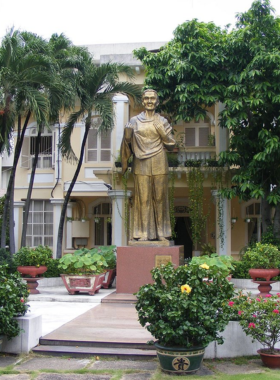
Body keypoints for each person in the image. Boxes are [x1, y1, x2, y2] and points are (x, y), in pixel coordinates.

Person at [120, 89, 175, 241]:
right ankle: (142, 233)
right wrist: (127, 137)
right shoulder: (134, 121)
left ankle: (162, 233)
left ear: (157, 102)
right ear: (143, 101)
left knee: (160, 198)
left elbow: (171, 145)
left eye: (153, 98)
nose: (150, 101)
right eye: (147, 98)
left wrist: (162, 133)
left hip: (159, 161)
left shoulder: (162, 121)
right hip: (141, 162)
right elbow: (127, 145)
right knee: (142, 199)